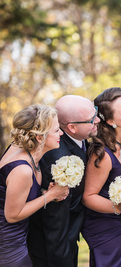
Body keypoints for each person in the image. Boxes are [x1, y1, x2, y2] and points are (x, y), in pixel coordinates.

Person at [28, 95, 99, 267]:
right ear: (72, 127)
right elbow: (55, 220)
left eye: (95, 113)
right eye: (91, 119)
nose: (97, 119)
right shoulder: (59, 159)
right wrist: (63, 259)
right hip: (57, 246)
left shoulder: (80, 142)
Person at [0, 104, 69, 267]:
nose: (61, 133)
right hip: (8, 246)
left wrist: (47, 192)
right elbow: (12, 215)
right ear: (40, 137)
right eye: (56, 130)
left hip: (19, 238)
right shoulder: (22, 169)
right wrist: (50, 195)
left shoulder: (23, 150)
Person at [81, 87, 121, 267]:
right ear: (111, 121)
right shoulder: (103, 154)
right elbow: (88, 197)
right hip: (106, 228)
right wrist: (118, 207)